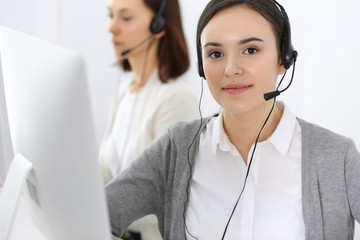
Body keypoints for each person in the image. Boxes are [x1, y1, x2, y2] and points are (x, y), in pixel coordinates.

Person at [105, 0, 360, 239]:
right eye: (215, 54)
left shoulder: (337, 157)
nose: (231, 69)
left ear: (283, 59)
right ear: (202, 67)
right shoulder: (176, 148)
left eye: (250, 50)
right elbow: (95, 216)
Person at [100, 0, 199, 239]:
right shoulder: (125, 92)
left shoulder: (177, 99)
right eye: (110, 16)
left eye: (125, 18)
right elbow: (105, 174)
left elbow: (167, 200)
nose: (111, 27)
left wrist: (93, 204)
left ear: (159, 26)